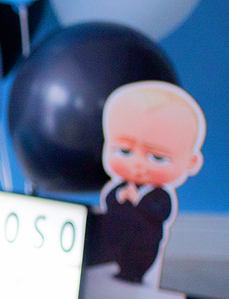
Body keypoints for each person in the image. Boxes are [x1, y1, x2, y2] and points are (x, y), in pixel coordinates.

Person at [87, 81, 205, 284]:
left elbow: (162, 211)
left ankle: (135, 272)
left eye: (157, 157)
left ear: (191, 162)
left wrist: (139, 201)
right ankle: (114, 265)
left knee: (138, 256)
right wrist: (118, 196)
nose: (138, 165)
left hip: (143, 243)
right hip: (116, 238)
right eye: (125, 151)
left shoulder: (160, 195)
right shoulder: (121, 186)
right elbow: (108, 199)